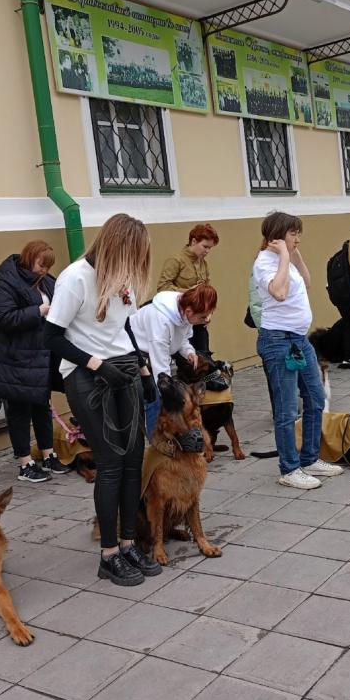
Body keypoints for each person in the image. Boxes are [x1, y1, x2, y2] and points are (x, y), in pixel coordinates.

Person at [43, 214, 160, 587]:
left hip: (123, 369)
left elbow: (124, 327)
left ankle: (128, 543)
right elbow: (52, 337)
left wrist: (145, 373)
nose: (137, 263)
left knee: (133, 461)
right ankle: (108, 554)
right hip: (87, 376)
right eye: (134, 253)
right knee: (110, 465)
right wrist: (96, 365)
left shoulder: (119, 277)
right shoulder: (75, 278)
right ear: (118, 246)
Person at [252, 211, 339, 490]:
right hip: (278, 341)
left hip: (299, 340)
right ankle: (289, 468)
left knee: (315, 398)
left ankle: (310, 458)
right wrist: (283, 256)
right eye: (293, 234)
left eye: (298, 233)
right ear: (277, 236)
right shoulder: (264, 262)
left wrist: (293, 253)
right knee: (287, 409)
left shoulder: (285, 259)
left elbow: (308, 281)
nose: (297, 238)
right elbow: (278, 292)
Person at [0, 240, 65, 484]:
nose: (44, 270)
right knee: (19, 411)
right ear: (29, 258)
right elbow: (3, 317)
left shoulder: (47, 282)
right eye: (41, 264)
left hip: (40, 356)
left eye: (48, 266)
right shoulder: (6, 282)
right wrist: (39, 311)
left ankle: (48, 454)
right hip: (14, 358)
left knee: (42, 405)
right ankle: (24, 462)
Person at [130, 284, 217, 437]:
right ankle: (157, 444)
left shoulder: (184, 313)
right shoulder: (161, 319)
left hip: (153, 357)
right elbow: (161, 368)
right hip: (139, 358)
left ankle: (165, 439)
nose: (207, 320)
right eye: (203, 317)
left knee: (164, 399)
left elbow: (182, 339)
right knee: (154, 401)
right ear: (189, 311)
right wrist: (169, 391)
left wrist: (189, 352)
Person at [158, 224, 218, 353]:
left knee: (203, 355)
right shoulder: (176, 260)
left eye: (210, 248)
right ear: (193, 241)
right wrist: (189, 292)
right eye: (205, 246)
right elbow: (163, 287)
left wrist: (209, 313)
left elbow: (207, 289)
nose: (207, 251)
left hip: (198, 319)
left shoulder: (203, 263)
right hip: (180, 317)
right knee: (184, 359)